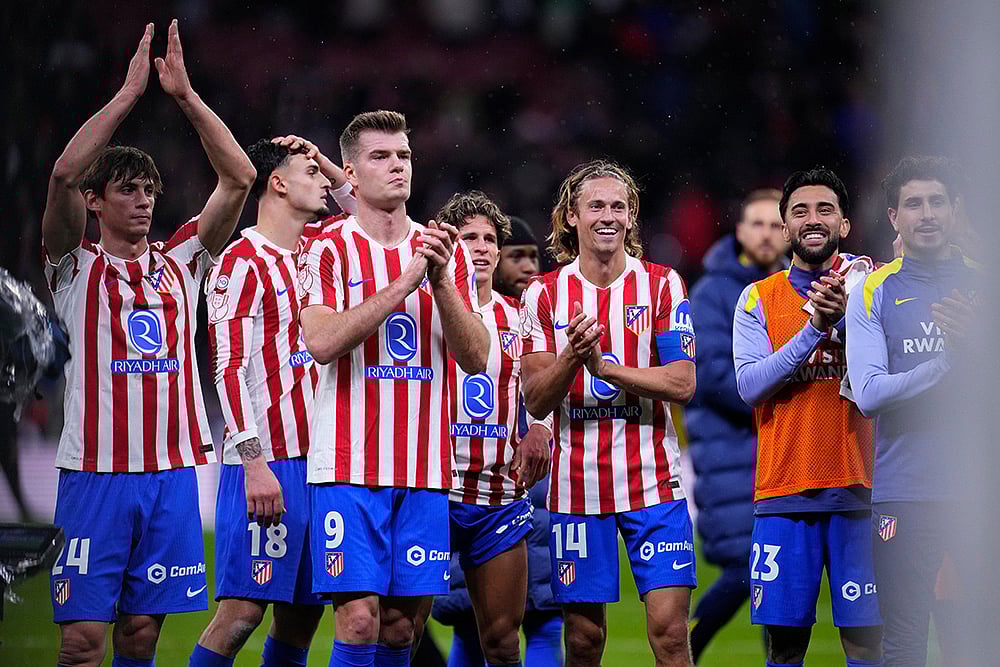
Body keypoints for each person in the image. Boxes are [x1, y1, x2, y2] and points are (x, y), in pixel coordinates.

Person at [41, 21, 255, 667]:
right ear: (96, 202)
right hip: (94, 476)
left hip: (167, 476)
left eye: (148, 189)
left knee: (141, 636)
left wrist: (186, 97)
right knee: (82, 643)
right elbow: (59, 174)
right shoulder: (74, 269)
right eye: (126, 189)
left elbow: (240, 176)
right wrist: (128, 95)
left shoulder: (183, 260)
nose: (141, 200)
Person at [298, 110, 489, 667]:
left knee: (402, 628)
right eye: (380, 156)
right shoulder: (327, 247)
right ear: (350, 175)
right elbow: (324, 341)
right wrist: (405, 283)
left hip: (425, 470)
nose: (397, 166)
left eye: (403, 155)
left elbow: (476, 359)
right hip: (347, 467)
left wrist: (439, 282)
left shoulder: (439, 249)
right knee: (358, 622)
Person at [520, 160, 698, 667]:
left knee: (668, 634)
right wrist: (573, 360)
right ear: (571, 216)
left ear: (632, 216)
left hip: (654, 485)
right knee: (583, 639)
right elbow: (535, 398)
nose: (607, 215)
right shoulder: (544, 293)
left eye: (618, 206)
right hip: (577, 487)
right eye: (595, 205)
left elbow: (683, 383)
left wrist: (606, 368)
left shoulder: (663, 285)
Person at [188, 136, 354, 667]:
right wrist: (253, 462)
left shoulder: (319, 248)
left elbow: (370, 206)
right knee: (241, 612)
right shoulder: (241, 259)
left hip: (323, 461)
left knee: (304, 614)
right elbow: (228, 367)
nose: (325, 182)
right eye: (311, 172)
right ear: (277, 183)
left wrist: (324, 158)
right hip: (267, 460)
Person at [732, 167, 881, 667]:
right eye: (799, 211)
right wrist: (815, 328)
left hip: (862, 492)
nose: (812, 219)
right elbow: (751, 386)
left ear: (844, 224)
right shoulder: (757, 298)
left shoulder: (872, 289)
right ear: (784, 226)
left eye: (824, 210)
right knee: (785, 647)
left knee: (865, 644)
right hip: (783, 493)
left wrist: (853, 314)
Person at [846, 156, 978, 667]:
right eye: (914, 204)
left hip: (977, 492)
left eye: (938, 202)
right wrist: (950, 360)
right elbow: (870, 393)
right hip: (905, 492)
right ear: (894, 217)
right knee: (903, 640)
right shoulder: (873, 290)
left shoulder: (985, 284)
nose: (927, 214)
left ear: (955, 210)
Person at [410, 192, 550, 667]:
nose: (483, 247)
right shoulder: (422, 307)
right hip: (433, 489)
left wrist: (540, 425)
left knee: (503, 642)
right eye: (470, 237)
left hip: (498, 494)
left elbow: (541, 384)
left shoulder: (521, 316)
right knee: (402, 632)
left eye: (490, 238)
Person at [685, 189, 788, 662]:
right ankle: (685, 645)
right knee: (750, 567)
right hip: (734, 451)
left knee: (782, 573)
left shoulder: (797, 286)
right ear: (740, 231)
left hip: (782, 449)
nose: (767, 234)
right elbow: (712, 376)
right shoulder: (712, 292)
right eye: (758, 223)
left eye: (775, 224)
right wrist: (790, 402)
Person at [493, 216, 543, 299]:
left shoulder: (552, 308)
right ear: (495, 258)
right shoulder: (468, 309)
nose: (530, 268)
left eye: (533, 257)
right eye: (516, 257)